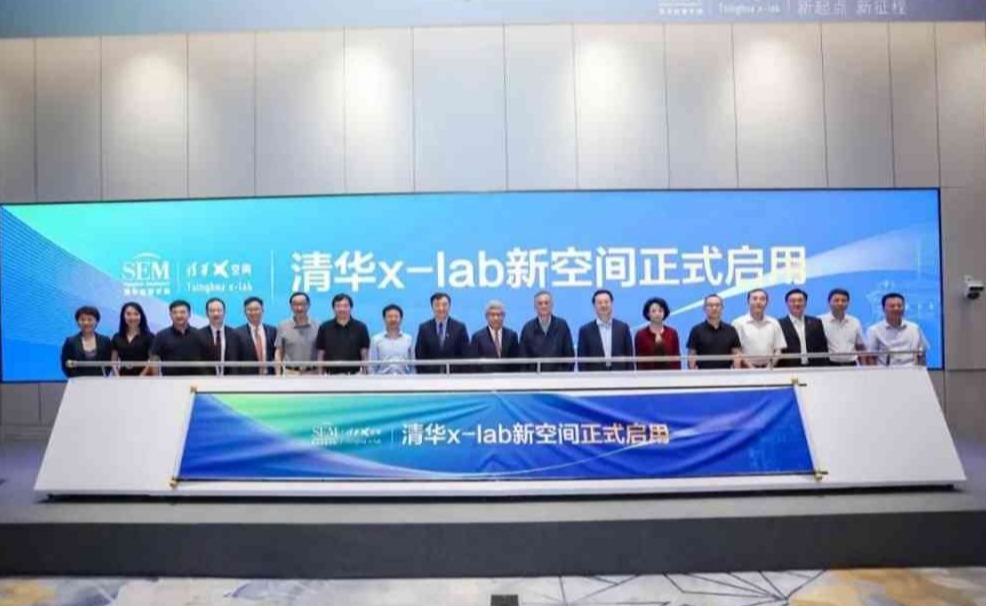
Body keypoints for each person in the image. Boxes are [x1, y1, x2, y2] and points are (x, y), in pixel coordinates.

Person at [149, 300, 212, 376]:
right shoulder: (161, 335)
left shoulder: (199, 334)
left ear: (189, 314)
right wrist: (156, 379)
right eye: (175, 313)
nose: (178, 316)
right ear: (170, 315)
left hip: (195, 379)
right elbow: (154, 358)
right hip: (170, 380)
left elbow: (207, 358)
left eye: (182, 312)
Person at [865, 292, 928, 367]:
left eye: (899, 306)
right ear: (883, 309)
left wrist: (921, 371)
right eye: (892, 306)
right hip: (885, 371)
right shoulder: (873, 330)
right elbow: (871, 357)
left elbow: (921, 354)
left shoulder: (914, 328)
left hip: (911, 370)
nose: (896, 308)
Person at [577, 289, 634, 371]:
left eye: (606, 302)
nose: (603, 305)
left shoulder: (623, 328)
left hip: (620, 375)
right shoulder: (585, 331)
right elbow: (582, 360)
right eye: (599, 303)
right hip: (595, 376)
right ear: (594, 306)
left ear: (612, 304)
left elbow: (629, 357)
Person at [518, 290, 575, 372]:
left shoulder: (562, 326)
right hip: (535, 377)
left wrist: (562, 376)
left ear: (552, 305)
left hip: (559, 377)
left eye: (546, 303)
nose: (543, 306)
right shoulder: (528, 328)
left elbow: (569, 356)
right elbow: (522, 359)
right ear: (535, 306)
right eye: (540, 303)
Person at [414, 292, 470, 374]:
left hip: (455, 376)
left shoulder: (459, 327)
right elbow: (419, 355)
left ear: (449, 306)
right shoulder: (424, 328)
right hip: (430, 376)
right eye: (437, 305)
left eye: (444, 305)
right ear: (432, 307)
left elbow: (466, 355)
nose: (441, 308)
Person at [316, 293, 370, 375]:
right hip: (330, 375)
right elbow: (321, 353)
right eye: (338, 306)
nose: (342, 309)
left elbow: (364, 353)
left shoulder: (361, 327)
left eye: (345, 306)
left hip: (355, 375)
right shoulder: (324, 327)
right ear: (333, 308)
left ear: (351, 307)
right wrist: (320, 375)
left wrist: (366, 373)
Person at [731, 289, 786, 369]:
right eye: (755, 298)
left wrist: (769, 367)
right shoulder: (738, 323)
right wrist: (751, 367)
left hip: (769, 369)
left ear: (767, 303)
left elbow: (778, 350)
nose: (758, 302)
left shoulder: (774, 323)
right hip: (745, 370)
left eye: (762, 299)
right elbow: (736, 350)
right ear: (748, 302)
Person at [686, 294, 742, 370]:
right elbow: (691, 356)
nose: (714, 308)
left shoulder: (731, 330)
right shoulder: (696, 330)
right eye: (710, 305)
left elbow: (736, 355)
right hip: (703, 374)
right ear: (704, 308)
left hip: (726, 374)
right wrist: (693, 374)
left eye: (717, 305)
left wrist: (736, 373)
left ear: (722, 308)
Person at [777, 288, 828, 368]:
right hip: (789, 368)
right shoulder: (779, 324)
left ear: (805, 303)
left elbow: (823, 347)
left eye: (800, 300)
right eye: (793, 301)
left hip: (814, 367)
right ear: (787, 304)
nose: (797, 303)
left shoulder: (816, 322)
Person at [274, 292, 319, 375]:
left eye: (303, 304)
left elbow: (321, 352)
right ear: (291, 307)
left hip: (313, 373)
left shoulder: (318, 325)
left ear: (308, 305)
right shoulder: (283, 325)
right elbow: (279, 352)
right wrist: (278, 374)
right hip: (290, 373)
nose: (299, 308)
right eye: (295, 304)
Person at [470, 300, 521, 373]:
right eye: (492, 315)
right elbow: (474, 364)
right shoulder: (477, 337)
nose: (496, 318)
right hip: (485, 377)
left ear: (504, 316)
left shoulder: (512, 336)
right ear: (486, 317)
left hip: (508, 377)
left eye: (499, 315)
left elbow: (516, 362)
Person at [61, 306, 112, 378]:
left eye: (90, 319)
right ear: (77, 322)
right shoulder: (70, 342)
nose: (86, 323)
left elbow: (109, 363)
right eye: (82, 320)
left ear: (97, 322)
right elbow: (65, 365)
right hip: (78, 381)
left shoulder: (105, 341)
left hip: (100, 380)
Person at [820, 288, 866, 367]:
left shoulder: (855, 321)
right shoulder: (820, 321)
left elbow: (860, 347)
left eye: (844, 301)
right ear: (829, 302)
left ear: (848, 303)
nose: (840, 303)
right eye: (836, 300)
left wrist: (864, 368)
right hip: (829, 365)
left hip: (851, 364)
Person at [634, 297, 680, 371]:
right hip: (647, 376)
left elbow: (676, 360)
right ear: (648, 314)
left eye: (660, 311)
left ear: (664, 313)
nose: (657, 314)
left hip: (669, 375)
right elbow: (639, 362)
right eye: (654, 311)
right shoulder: (641, 335)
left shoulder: (672, 333)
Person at [235, 297, 278, 376]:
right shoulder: (237, 333)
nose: (254, 312)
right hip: (247, 378)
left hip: (270, 377)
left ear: (263, 310)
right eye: (250, 310)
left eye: (256, 309)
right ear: (244, 312)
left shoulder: (273, 331)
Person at [200, 298, 243, 376]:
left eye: (219, 310)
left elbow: (239, 359)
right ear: (207, 313)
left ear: (224, 312)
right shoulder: (199, 335)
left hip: (231, 380)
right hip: (206, 379)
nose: (216, 314)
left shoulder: (235, 334)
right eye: (212, 311)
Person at [110, 302, 154, 376]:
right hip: (123, 377)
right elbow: (113, 361)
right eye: (128, 314)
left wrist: (140, 377)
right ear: (123, 316)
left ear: (141, 316)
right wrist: (118, 378)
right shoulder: (117, 337)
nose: (132, 317)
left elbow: (152, 360)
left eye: (136, 314)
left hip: (144, 378)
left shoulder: (149, 337)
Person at [369, 304, 414, 375]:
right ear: (384, 319)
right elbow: (372, 366)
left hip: (404, 379)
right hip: (382, 380)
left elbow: (413, 365)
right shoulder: (376, 339)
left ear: (401, 319)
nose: (393, 319)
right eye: (389, 316)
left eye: (396, 316)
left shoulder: (408, 339)